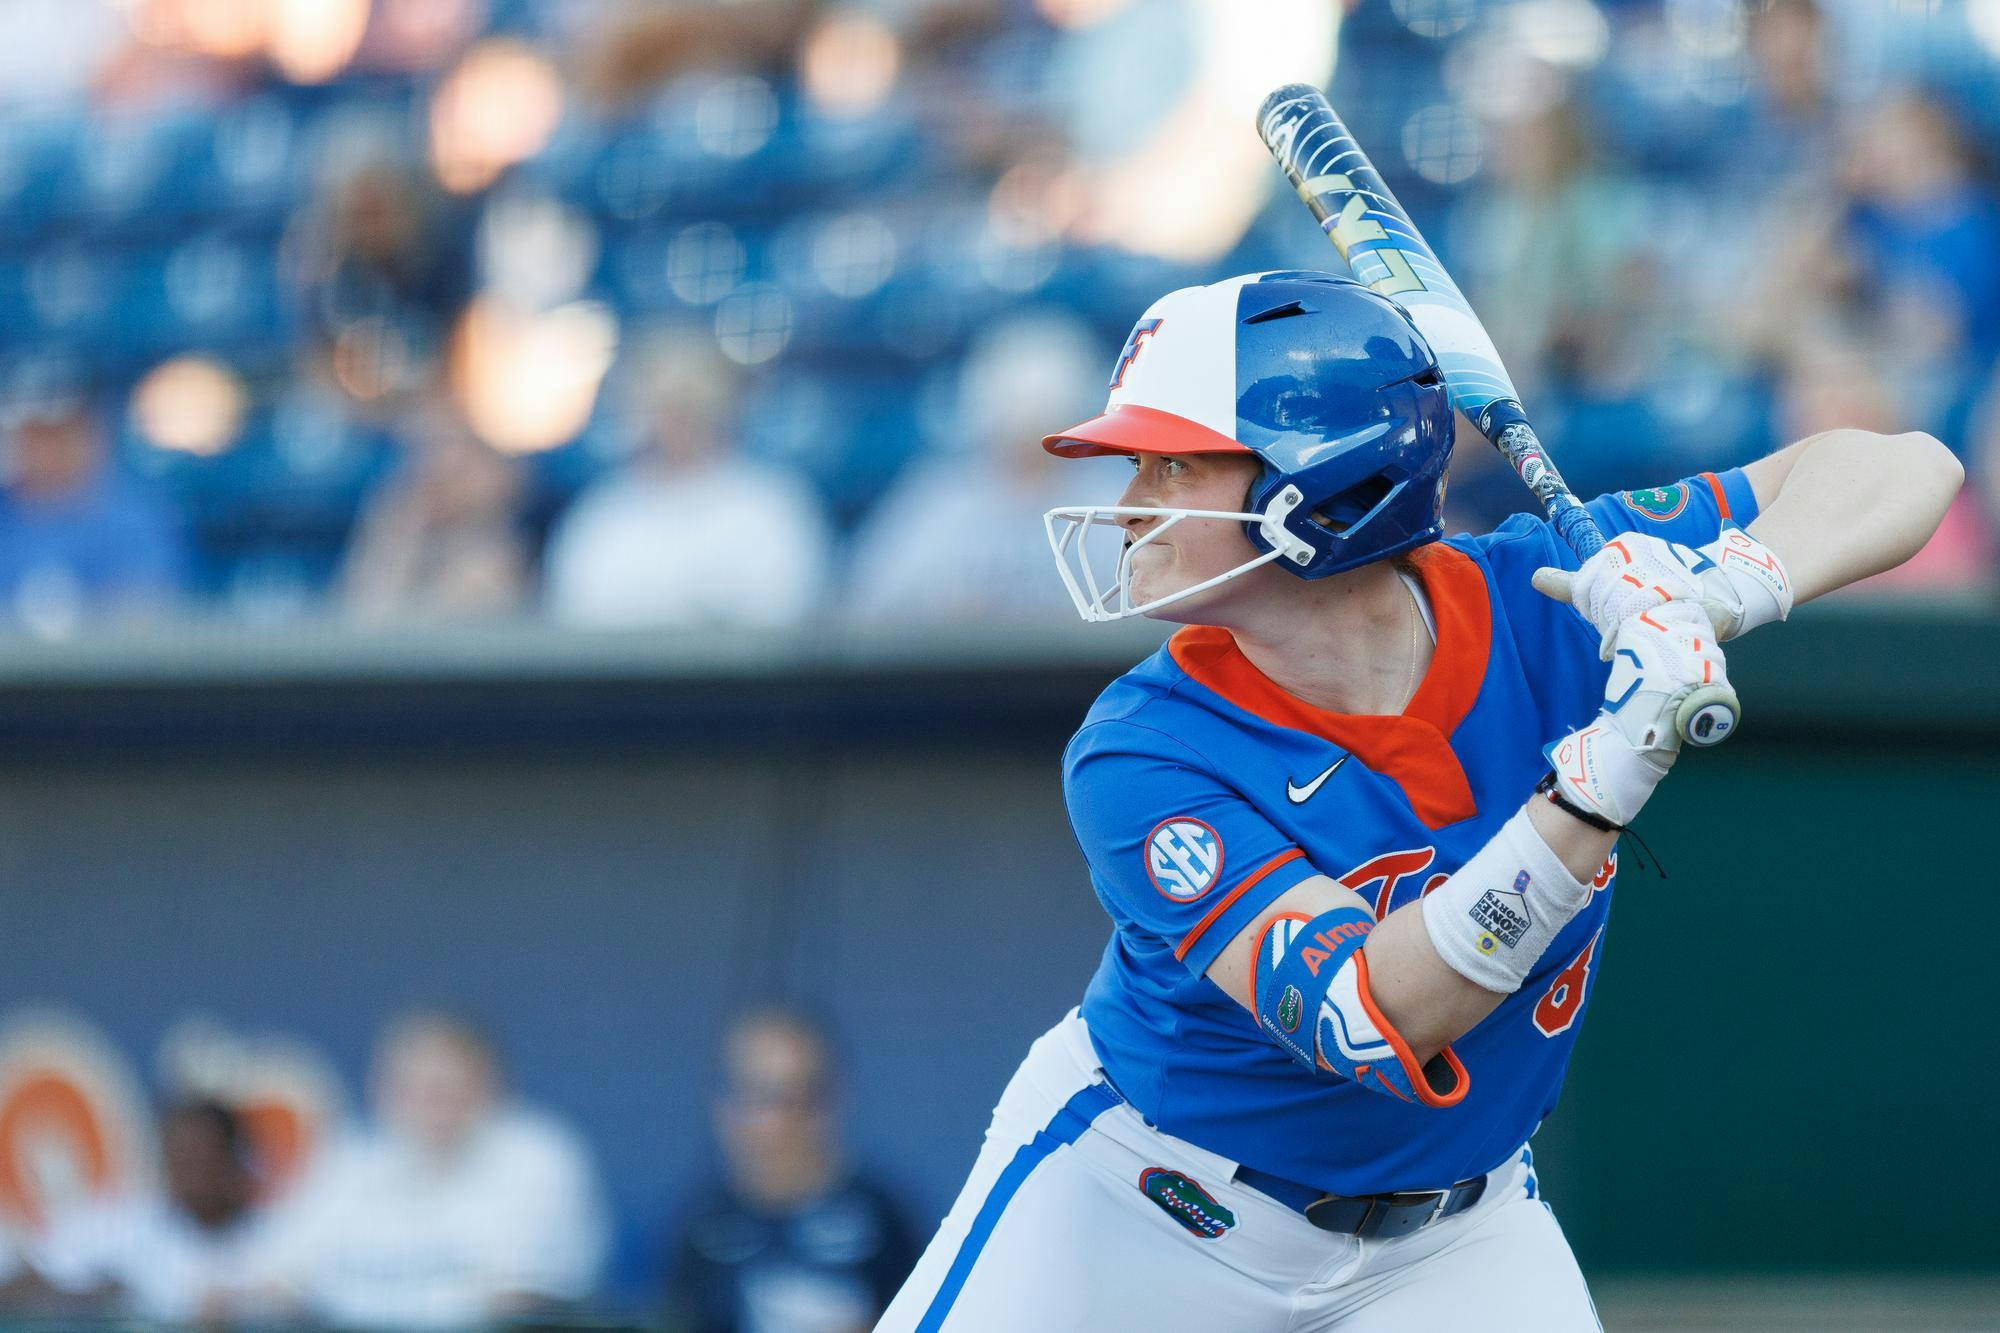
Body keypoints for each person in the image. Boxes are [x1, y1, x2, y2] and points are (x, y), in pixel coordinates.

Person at [876, 271, 1961, 1330]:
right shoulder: (1142, 746)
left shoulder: (1544, 594)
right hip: (1144, 1206)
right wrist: (1595, 782)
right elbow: (1369, 1015)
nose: (1124, 508)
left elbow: (1898, 463)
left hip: (1453, 1238)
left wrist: (1722, 587)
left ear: (1319, 484)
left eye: (1166, 465)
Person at [242, 1011, 608, 1328]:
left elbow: (516, 1302)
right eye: (411, 1088)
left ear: (492, 1088)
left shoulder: (539, 1154)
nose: (430, 1107)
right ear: (380, 1090)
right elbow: (275, 1281)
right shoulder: (352, 1161)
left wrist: (354, 1296)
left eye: (448, 1089)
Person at [544, 332, 831, 629]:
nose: (675, 423)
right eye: (662, 407)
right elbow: (575, 613)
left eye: (689, 405)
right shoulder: (603, 512)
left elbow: (787, 611)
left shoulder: (773, 505)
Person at [667, 1010, 919, 1333]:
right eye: (754, 1097)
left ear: (833, 1102)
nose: (772, 1122)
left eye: (794, 1098)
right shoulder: (702, 1228)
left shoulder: (883, 1222)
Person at [0, 1100, 267, 1322]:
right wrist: (97, 1300)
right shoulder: (124, 1226)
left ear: (232, 1161)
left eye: (201, 1158)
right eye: (179, 1157)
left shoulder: (268, 1242)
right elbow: (24, 1281)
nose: (187, 1171)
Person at [0, 393, 184, 635]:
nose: (47, 452)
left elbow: (140, 624)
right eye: (37, 435)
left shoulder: (131, 525)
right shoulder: (8, 519)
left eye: (60, 436)